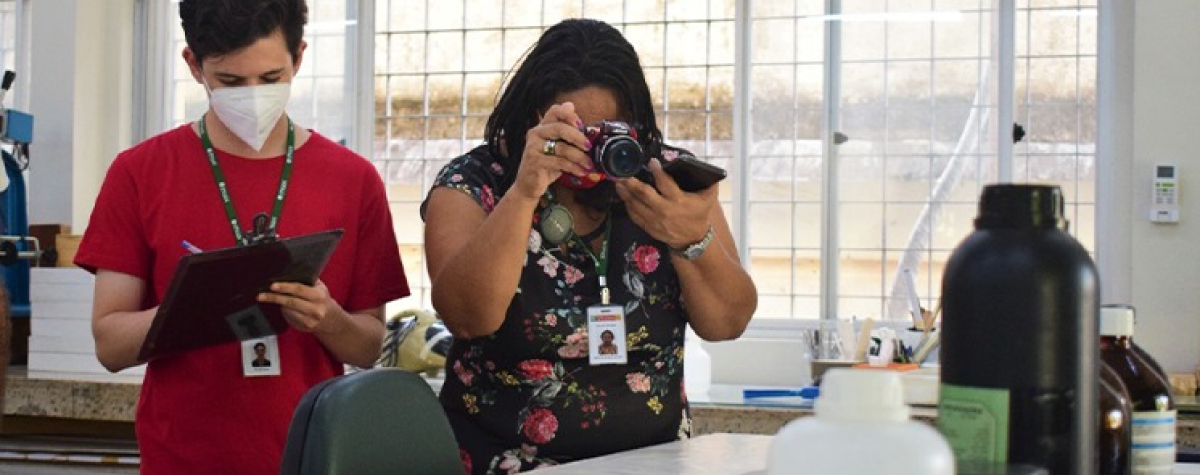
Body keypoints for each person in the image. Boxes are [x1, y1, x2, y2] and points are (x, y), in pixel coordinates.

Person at [73, 1, 409, 473]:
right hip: (182, 459)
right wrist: (195, 304)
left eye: (271, 78)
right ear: (194, 64)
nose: (253, 95)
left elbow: (368, 346)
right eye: (230, 82)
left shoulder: (353, 180)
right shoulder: (140, 172)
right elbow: (109, 345)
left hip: (310, 457)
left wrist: (327, 318)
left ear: (299, 57)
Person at [422, 18, 757, 474]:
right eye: (574, 132)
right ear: (531, 121)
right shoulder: (477, 183)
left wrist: (692, 239)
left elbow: (729, 322)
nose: (591, 150)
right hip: (505, 463)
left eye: (609, 131)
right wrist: (525, 192)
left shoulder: (665, 181)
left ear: (636, 124)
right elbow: (466, 316)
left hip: (653, 463)